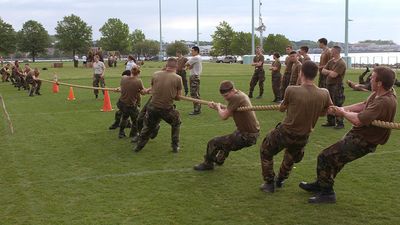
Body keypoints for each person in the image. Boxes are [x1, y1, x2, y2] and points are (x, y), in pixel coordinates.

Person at [299, 66, 397, 204]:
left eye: (373, 77)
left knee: (325, 156)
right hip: (358, 136)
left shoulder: (384, 101)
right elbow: (364, 105)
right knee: (335, 160)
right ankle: (321, 184)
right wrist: (343, 108)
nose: (370, 78)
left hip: (364, 140)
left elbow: (358, 120)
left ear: (380, 83)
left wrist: (342, 113)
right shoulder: (380, 93)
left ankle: (327, 194)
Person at [259, 61, 333, 193]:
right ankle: (280, 179)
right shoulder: (324, 93)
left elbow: (282, 109)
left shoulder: (291, 89)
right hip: (303, 136)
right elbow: (326, 111)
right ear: (315, 75)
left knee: (265, 150)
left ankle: (269, 182)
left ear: (301, 73)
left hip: (286, 132)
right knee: (290, 157)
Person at [193, 80, 260, 171]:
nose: (225, 98)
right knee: (226, 142)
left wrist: (218, 107)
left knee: (213, 142)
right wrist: (216, 108)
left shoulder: (236, 97)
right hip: (246, 133)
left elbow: (224, 116)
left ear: (232, 90)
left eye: (226, 95)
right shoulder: (240, 94)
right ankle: (219, 160)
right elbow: (232, 114)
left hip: (246, 136)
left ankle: (208, 164)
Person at [134, 58, 183, 153]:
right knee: (176, 123)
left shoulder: (156, 74)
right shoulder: (178, 78)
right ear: (176, 67)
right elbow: (178, 98)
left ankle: (138, 147)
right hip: (166, 109)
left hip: (152, 107)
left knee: (148, 127)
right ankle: (175, 146)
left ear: (166, 65)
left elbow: (153, 88)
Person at [117, 67, 148, 139]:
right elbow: (143, 92)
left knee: (124, 117)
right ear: (138, 73)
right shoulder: (138, 81)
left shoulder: (123, 78)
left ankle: (121, 133)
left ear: (131, 72)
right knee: (136, 120)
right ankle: (133, 134)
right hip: (130, 105)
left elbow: (122, 86)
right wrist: (146, 90)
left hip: (121, 103)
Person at [321, 46, 346, 129]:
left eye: (332, 51)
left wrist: (329, 72)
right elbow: (323, 71)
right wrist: (330, 72)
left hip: (337, 86)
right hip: (329, 85)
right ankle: (330, 121)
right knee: (329, 103)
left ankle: (340, 123)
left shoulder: (341, 63)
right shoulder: (331, 61)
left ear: (336, 52)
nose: (330, 52)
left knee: (337, 103)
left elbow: (334, 75)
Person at [186, 46, 202, 115]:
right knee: (196, 93)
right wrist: (188, 66)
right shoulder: (198, 57)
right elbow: (190, 67)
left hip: (194, 77)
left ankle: (197, 109)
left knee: (194, 93)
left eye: (192, 51)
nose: (191, 52)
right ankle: (198, 108)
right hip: (195, 77)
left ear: (196, 51)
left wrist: (186, 65)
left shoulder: (195, 57)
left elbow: (186, 64)